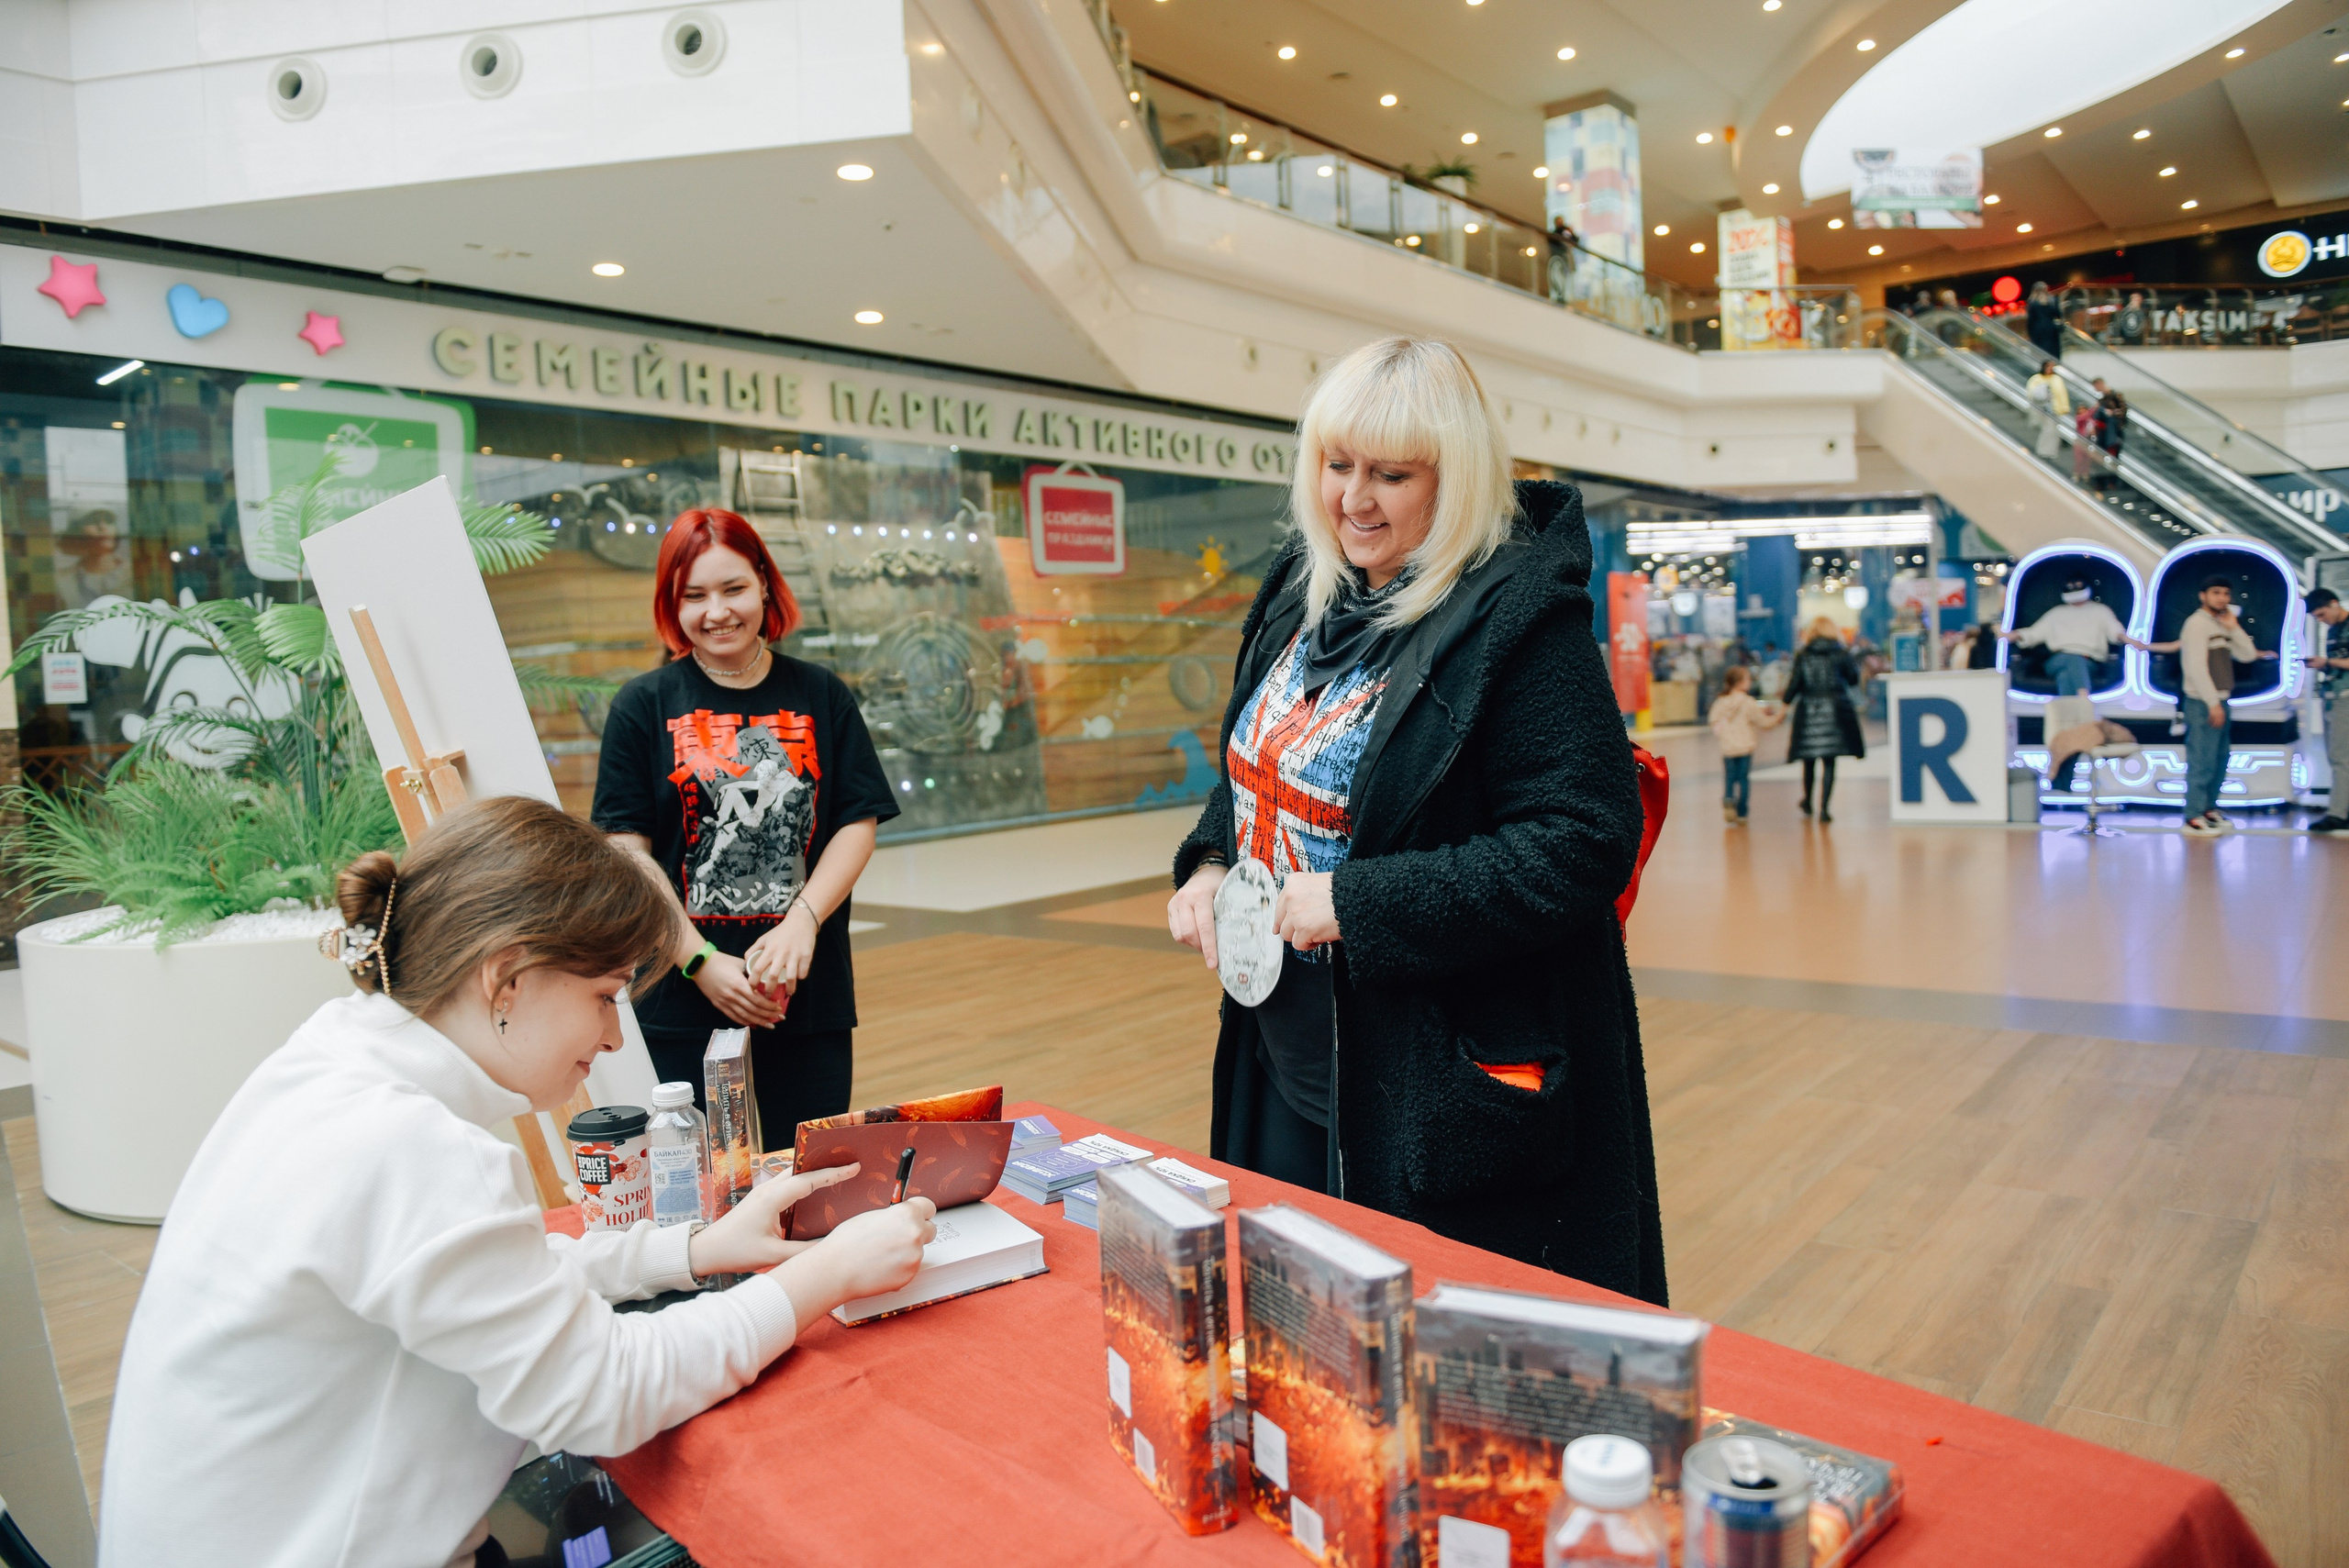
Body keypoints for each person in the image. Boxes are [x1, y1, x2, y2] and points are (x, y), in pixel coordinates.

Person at [98, 797, 937, 1566]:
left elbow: (488, 1280)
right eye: (605, 997)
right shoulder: (409, 1144)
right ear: (506, 979)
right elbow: (607, 1390)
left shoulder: (332, 1062)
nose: (613, 1037)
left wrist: (695, 1247)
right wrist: (826, 1272)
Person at [1163, 336, 1661, 1301]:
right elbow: (1260, 763)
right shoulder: (1303, 586)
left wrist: (1360, 902)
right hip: (1286, 1049)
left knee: (1420, 1350)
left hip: (1436, 1084)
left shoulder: (1520, 619)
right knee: (1296, 1323)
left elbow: (1583, 840)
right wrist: (1210, 860)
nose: (1354, 498)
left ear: (1456, 477)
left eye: (1391, 475)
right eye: (1337, 464)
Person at [592, 507, 899, 1140]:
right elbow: (626, 849)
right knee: (699, 1175)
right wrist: (698, 960)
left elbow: (856, 822)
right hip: (679, 992)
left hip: (804, 991)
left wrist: (802, 920)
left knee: (806, 1166)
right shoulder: (642, 705)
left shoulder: (821, 693)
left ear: (763, 582)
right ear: (671, 602)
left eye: (732, 588)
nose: (717, 611)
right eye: (694, 596)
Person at [2176, 575, 2277, 835]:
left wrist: (2234, 628)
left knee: (2219, 760)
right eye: (2216, 592)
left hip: (2221, 699)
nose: (2222, 598)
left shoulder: (2220, 624)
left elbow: (2247, 655)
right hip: (2202, 702)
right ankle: (2193, 815)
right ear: (2203, 596)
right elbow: (2195, 668)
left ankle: (2208, 809)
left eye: (2226, 593)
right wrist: (2212, 703)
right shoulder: (2196, 624)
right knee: (2202, 761)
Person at [2001, 575, 2156, 696]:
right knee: (2072, 658)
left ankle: (2071, 719)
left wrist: (2131, 641)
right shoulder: (2056, 613)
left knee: (2064, 676)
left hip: (2089, 661)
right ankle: (2084, 699)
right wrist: (2015, 635)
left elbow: (2115, 631)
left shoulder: (2101, 611)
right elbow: (2034, 633)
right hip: (2058, 659)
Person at [1781, 617, 1864, 822]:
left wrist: (1785, 702)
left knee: (1809, 760)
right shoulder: (1842, 653)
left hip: (1809, 709)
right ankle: (1825, 809)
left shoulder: (1803, 655)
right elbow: (1853, 679)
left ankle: (1808, 801)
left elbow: (1795, 683)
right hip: (1836, 708)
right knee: (1830, 760)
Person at [1709, 664, 1782, 825]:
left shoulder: (1721, 702)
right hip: (1745, 746)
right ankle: (1742, 812)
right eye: (1748, 679)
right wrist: (1777, 718)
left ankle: (1728, 798)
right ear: (1740, 682)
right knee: (1743, 779)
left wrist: (1723, 733)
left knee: (1729, 777)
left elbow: (1713, 720)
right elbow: (1763, 722)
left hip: (1728, 747)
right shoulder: (1748, 702)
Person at [2304, 587, 2349, 832]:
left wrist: (2328, 662)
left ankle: (2337, 814)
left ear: (2334, 603)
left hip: (2345, 698)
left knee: (2341, 758)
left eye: (2322, 615)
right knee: (2337, 756)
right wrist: (2323, 665)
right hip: (2333, 695)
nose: (2321, 621)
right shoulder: (2333, 631)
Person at [2024, 359, 2071, 460]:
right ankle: (2043, 451)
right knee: (2047, 430)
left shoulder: (2056, 379)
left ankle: (2050, 452)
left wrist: (2064, 407)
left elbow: (2062, 394)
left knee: (2052, 431)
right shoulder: (2037, 378)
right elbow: (2031, 392)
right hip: (2041, 408)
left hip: (2054, 409)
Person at [2094, 380, 2129, 484]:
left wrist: (2112, 412)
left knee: (2113, 457)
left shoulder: (2116, 396)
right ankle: (2101, 482)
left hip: (2114, 433)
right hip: (2103, 433)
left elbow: (2123, 411)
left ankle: (2112, 482)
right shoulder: (2102, 399)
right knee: (2100, 456)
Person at [2025, 280, 2063, 360]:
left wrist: (2029, 333)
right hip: (2051, 328)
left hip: (2037, 329)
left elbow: (2031, 320)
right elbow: (2058, 314)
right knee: (2053, 350)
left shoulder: (2032, 303)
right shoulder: (2052, 301)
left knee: (2040, 350)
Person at [1547, 215, 1579, 304]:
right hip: (1559, 258)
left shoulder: (1566, 231)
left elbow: (1575, 240)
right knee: (1559, 276)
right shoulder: (1555, 233)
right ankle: (1560, 294)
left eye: (1561, 221)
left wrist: (1571, 232)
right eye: (1558, 222)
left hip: (1566, 258)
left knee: (1567, 277)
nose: (1560, 224)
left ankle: (1567, 295)